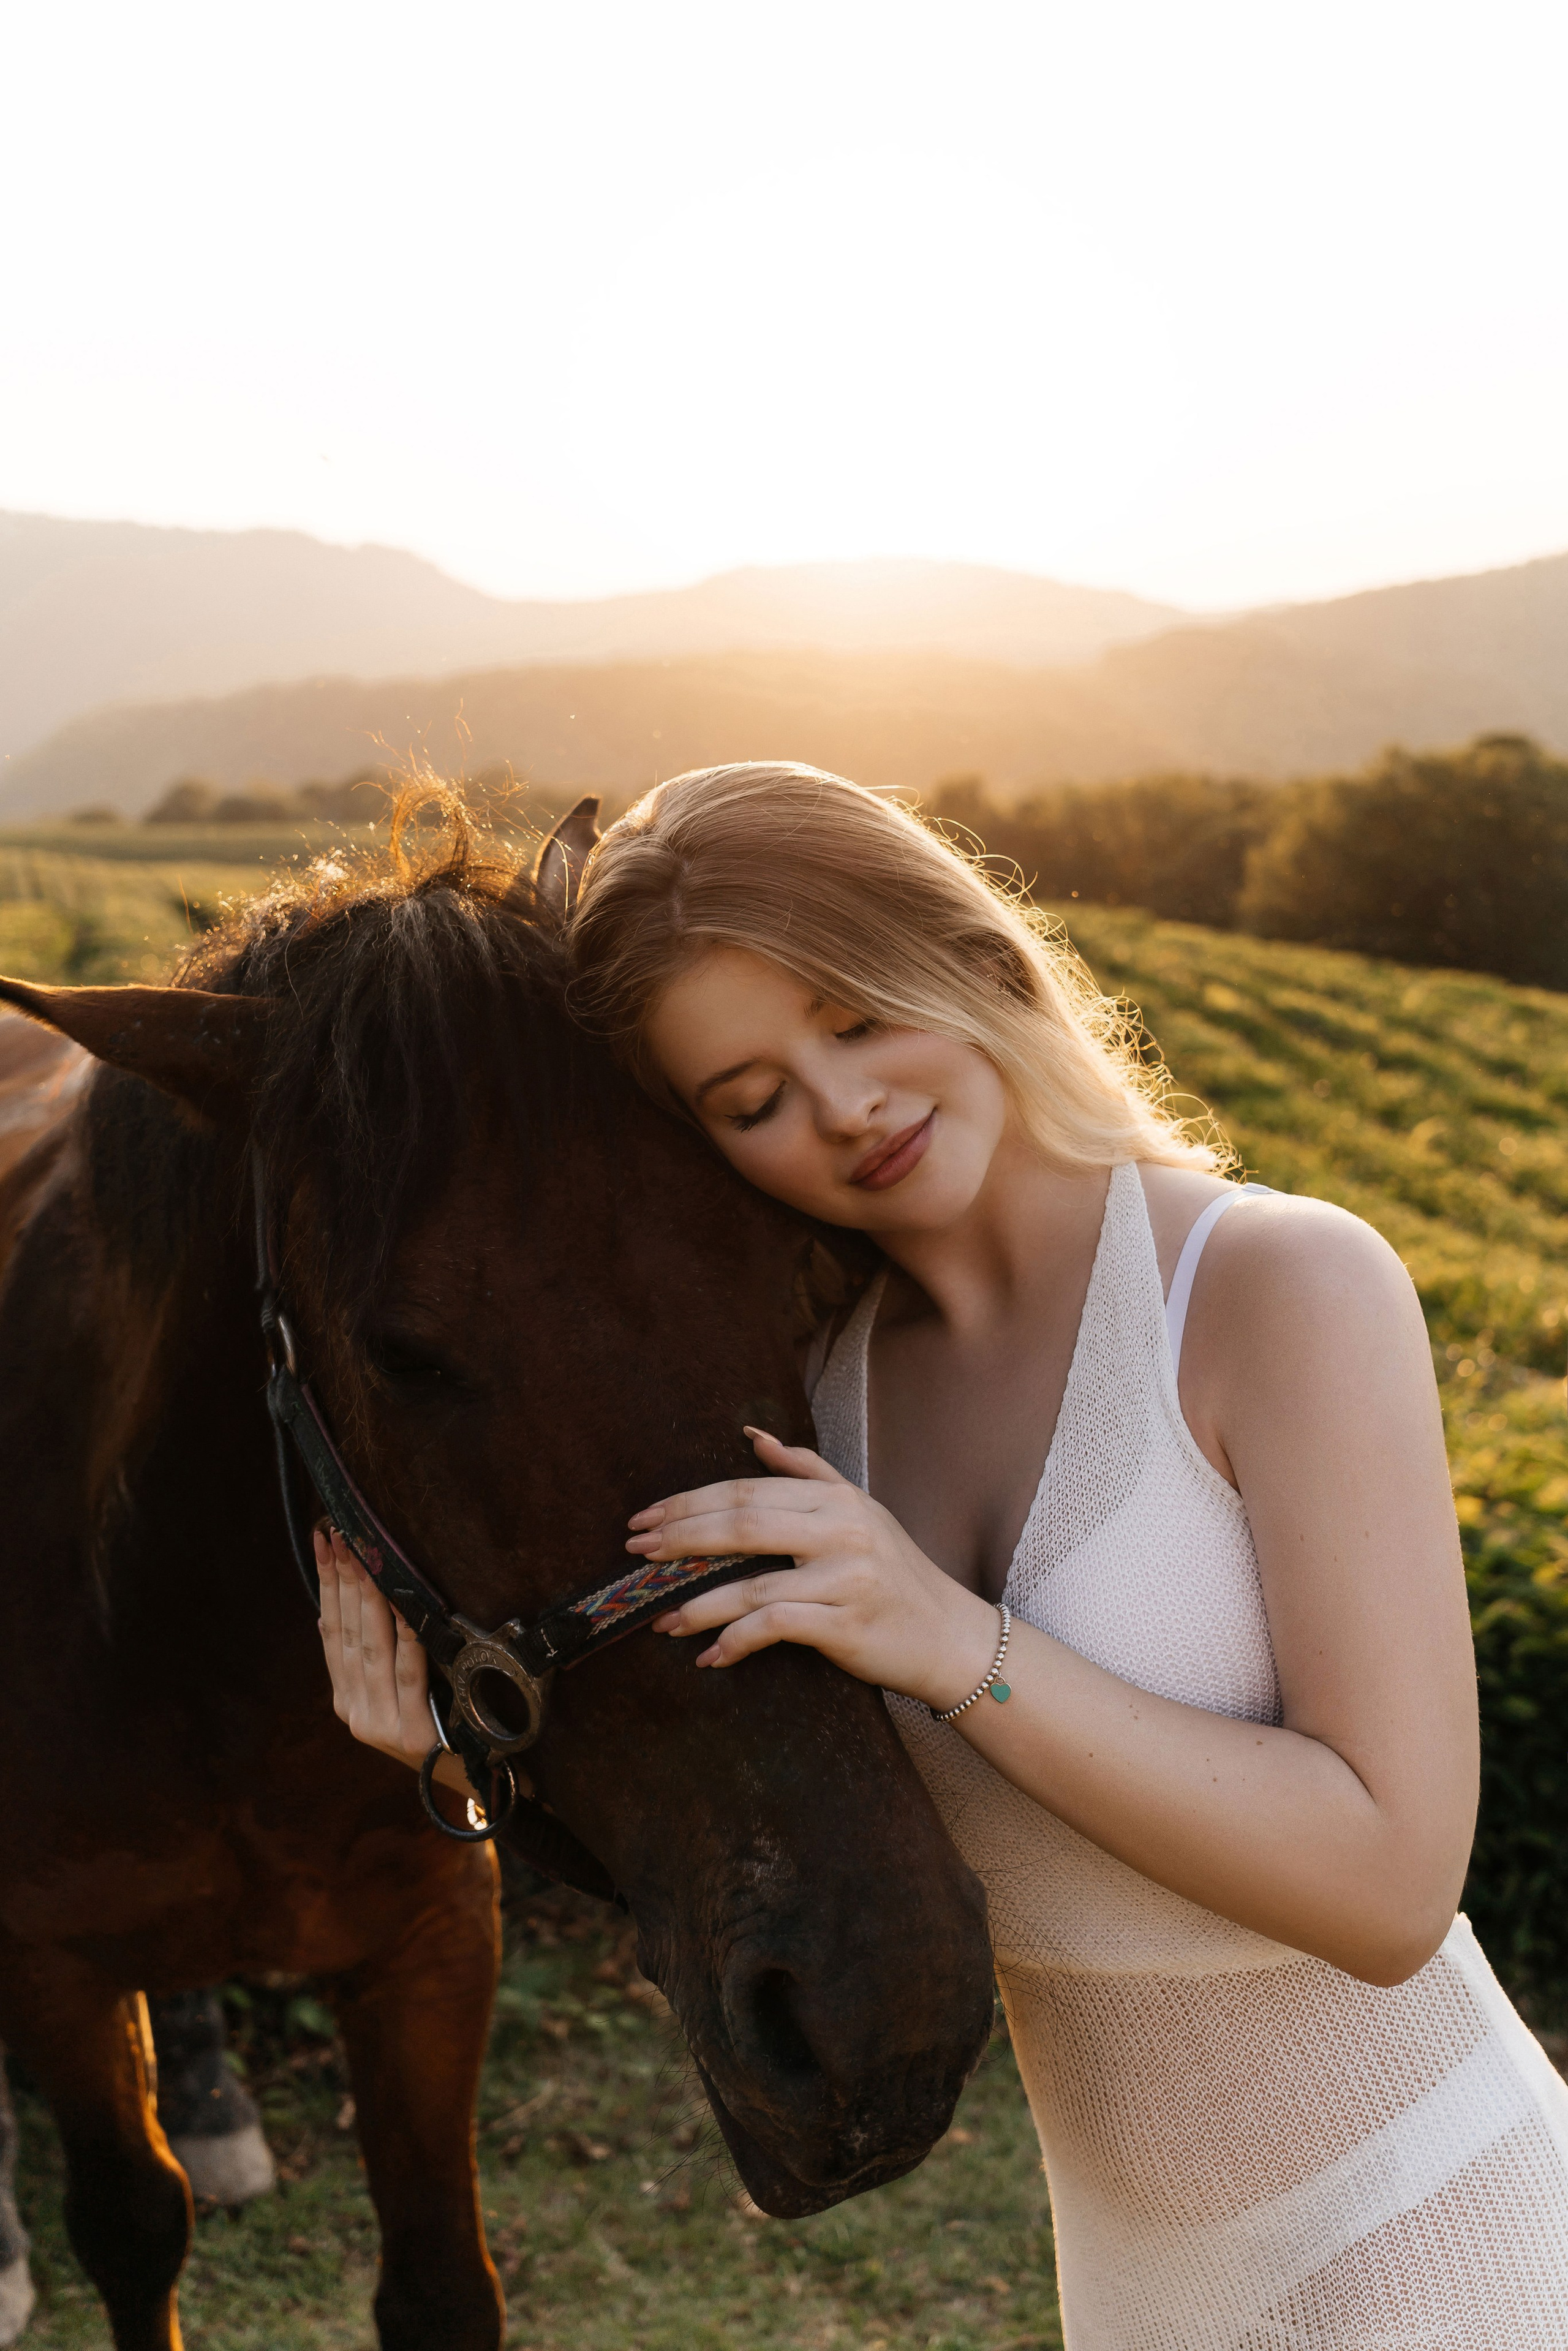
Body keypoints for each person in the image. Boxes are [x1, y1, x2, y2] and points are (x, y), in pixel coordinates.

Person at [320, 762, 1568, 2347]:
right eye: (752, 1100)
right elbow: (756, 1807)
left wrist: (957, 1644)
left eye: (854, 1017)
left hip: (1441, 2239)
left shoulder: (1272, 1289)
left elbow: (1393, 1888)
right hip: (1131, 2291)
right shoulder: (813, 1415)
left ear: (968, 953)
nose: (841, 1109)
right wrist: (472, 1755)